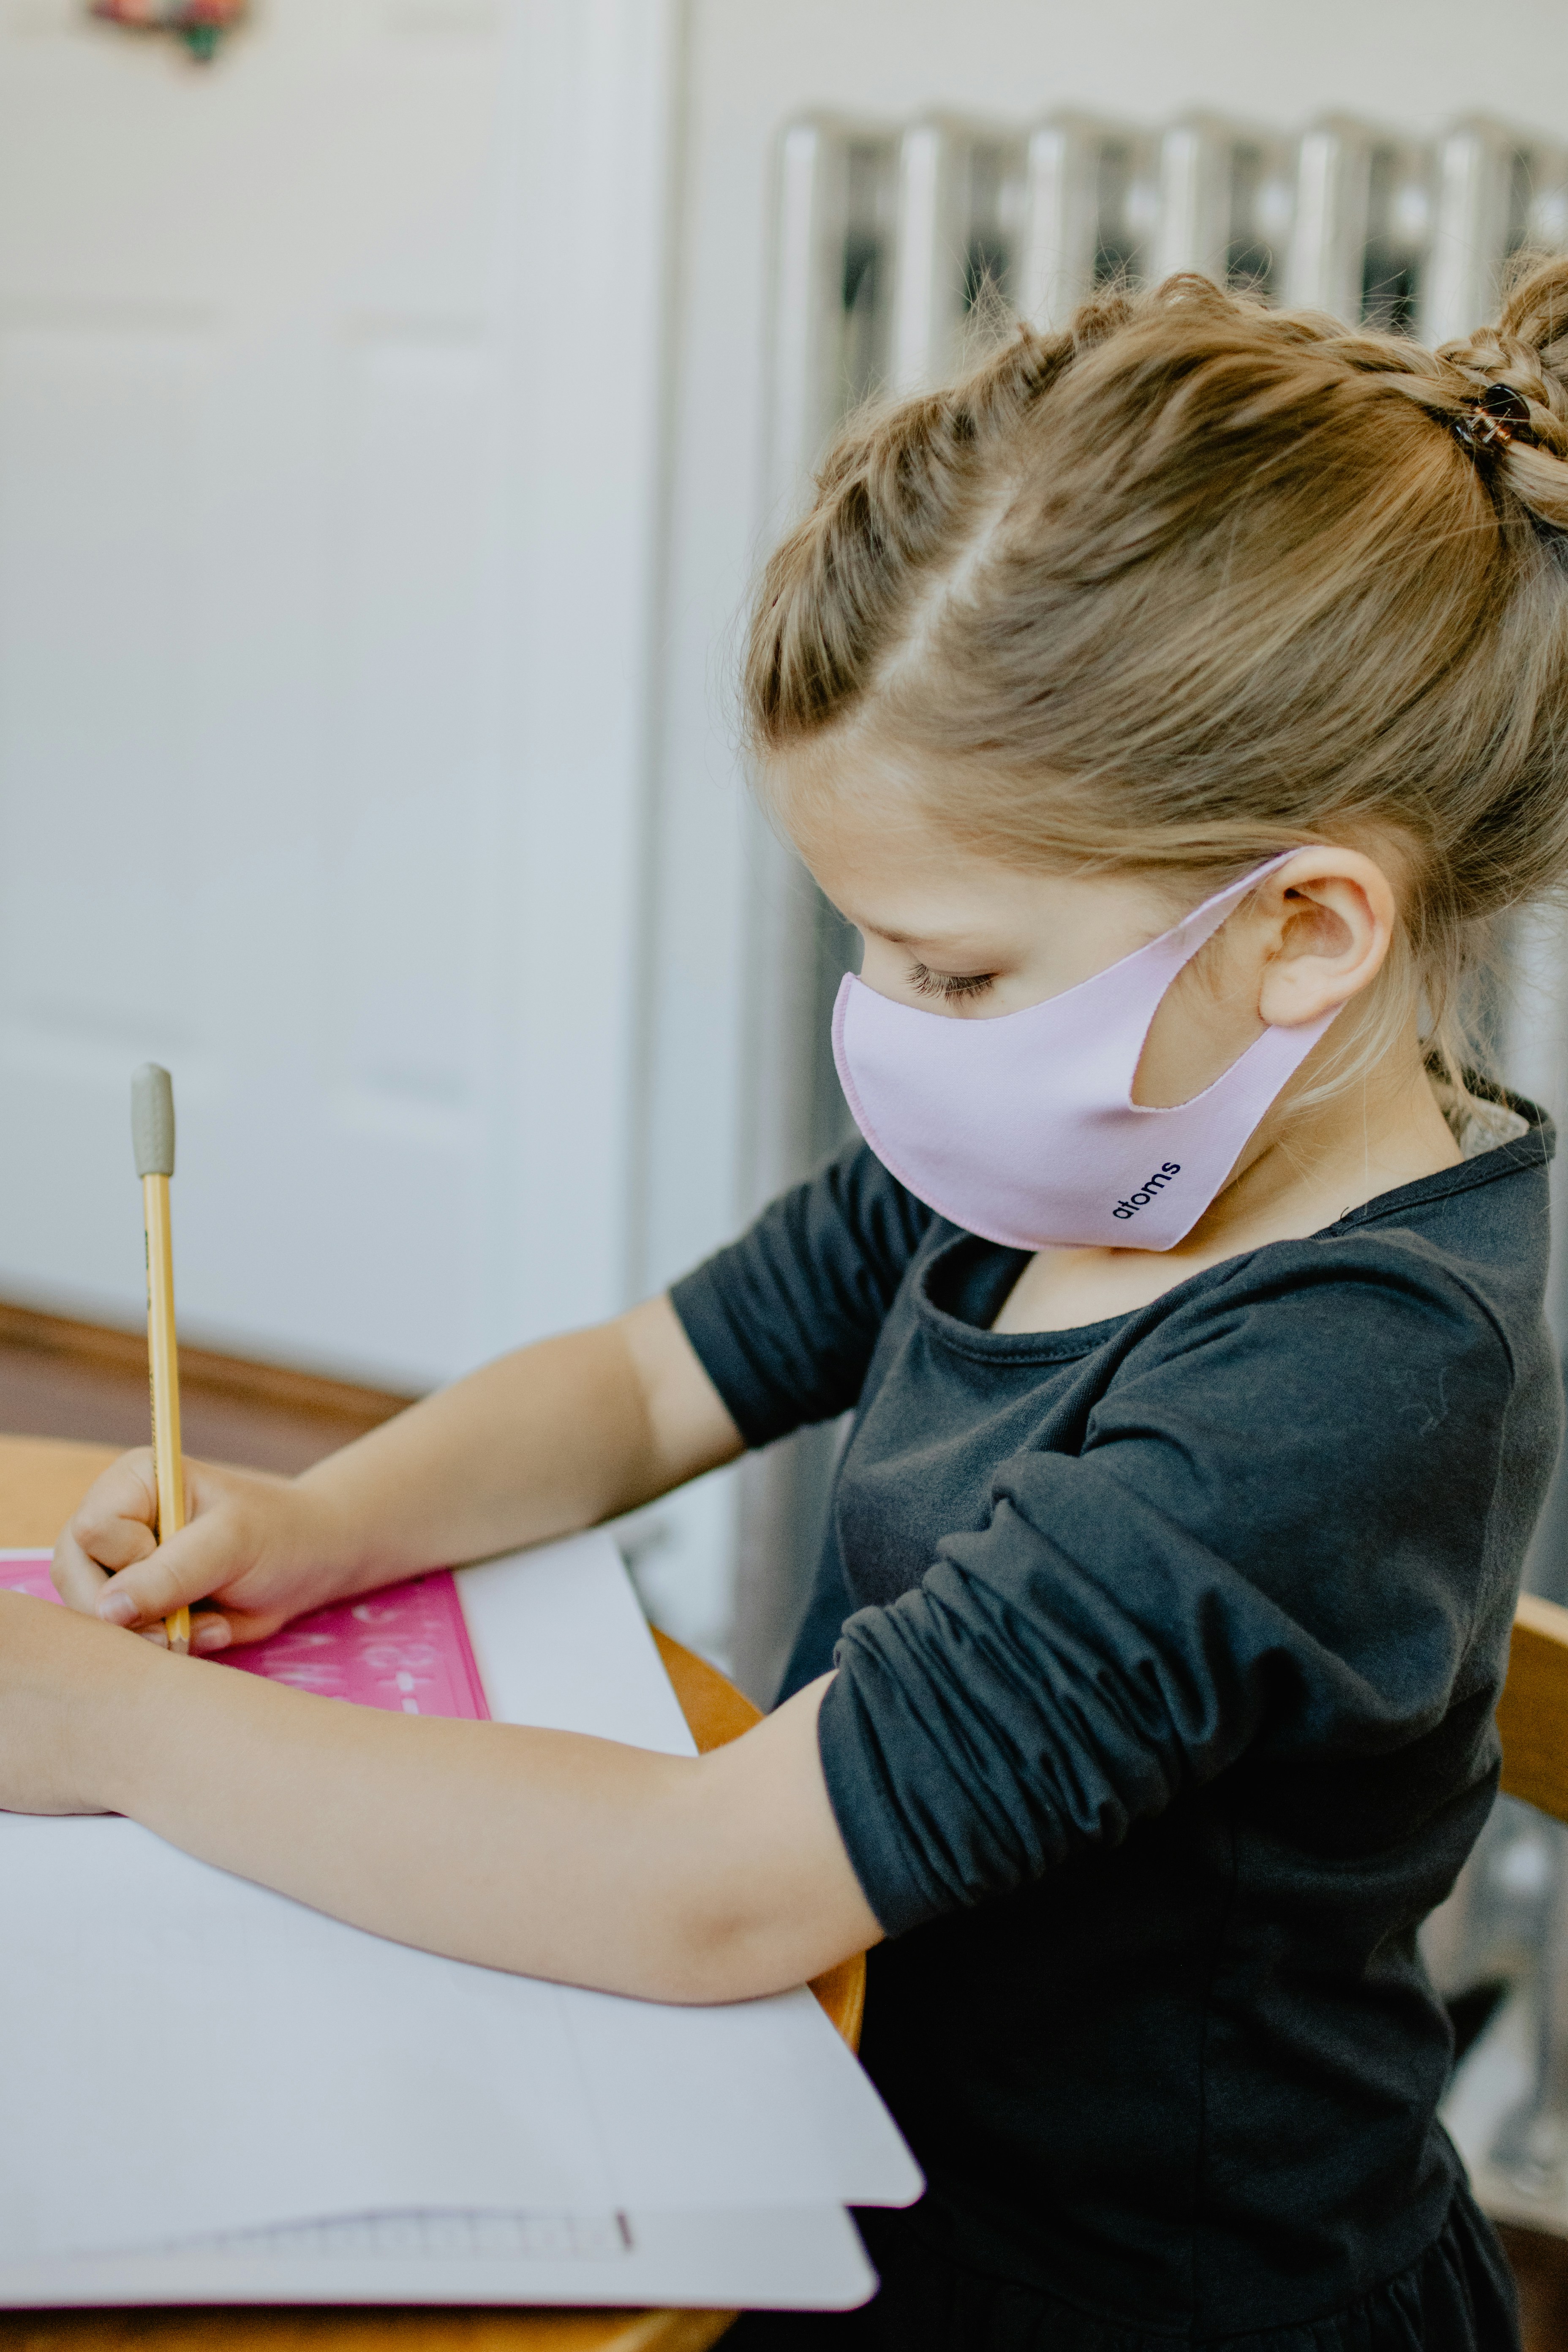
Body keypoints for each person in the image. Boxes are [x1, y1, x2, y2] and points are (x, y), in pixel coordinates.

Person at [5, 261, 1568, 2352]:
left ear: (1299, 929)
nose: (891, 1029)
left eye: (952, 969)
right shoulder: (1082, 1150)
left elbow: (711, 1882)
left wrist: (124, 1731)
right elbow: (651, 1382)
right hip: (855, 2138)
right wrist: (320, 1526)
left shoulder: (1349, 1378)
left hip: (1137, 2297)